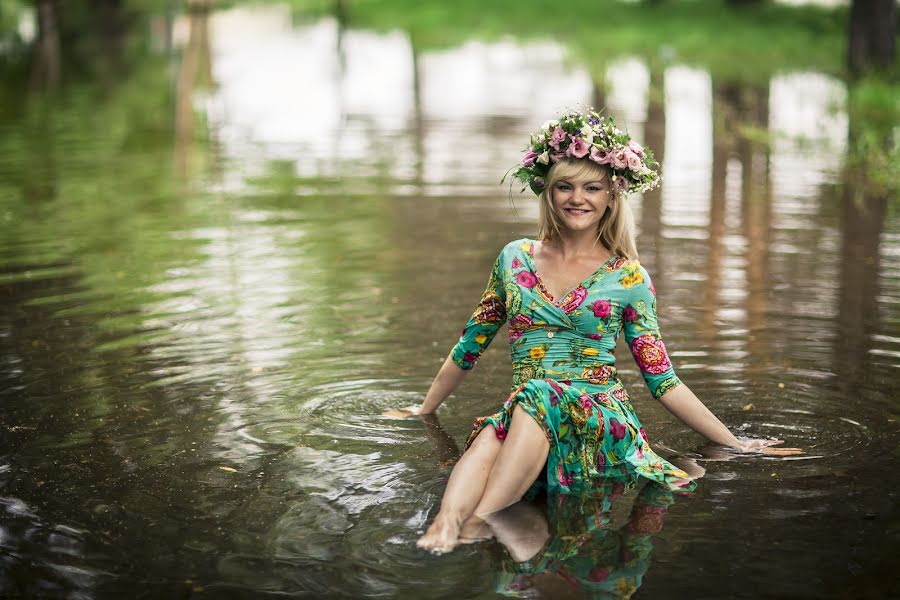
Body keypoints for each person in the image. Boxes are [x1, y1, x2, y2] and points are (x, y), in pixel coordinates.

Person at [384, 108, 802, 554]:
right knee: (494, 430)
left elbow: (662, 380)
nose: (576, 198)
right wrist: (424, 409)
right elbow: (470, 345)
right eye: (565, 185)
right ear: (548, 191)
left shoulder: (628, 278)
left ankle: (481, 520)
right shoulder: (514, 258)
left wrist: (736, 444)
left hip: (600, 413)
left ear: (611, 197)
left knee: (535, 398)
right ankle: (448, 523)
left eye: (592, 187)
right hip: (529, 407)